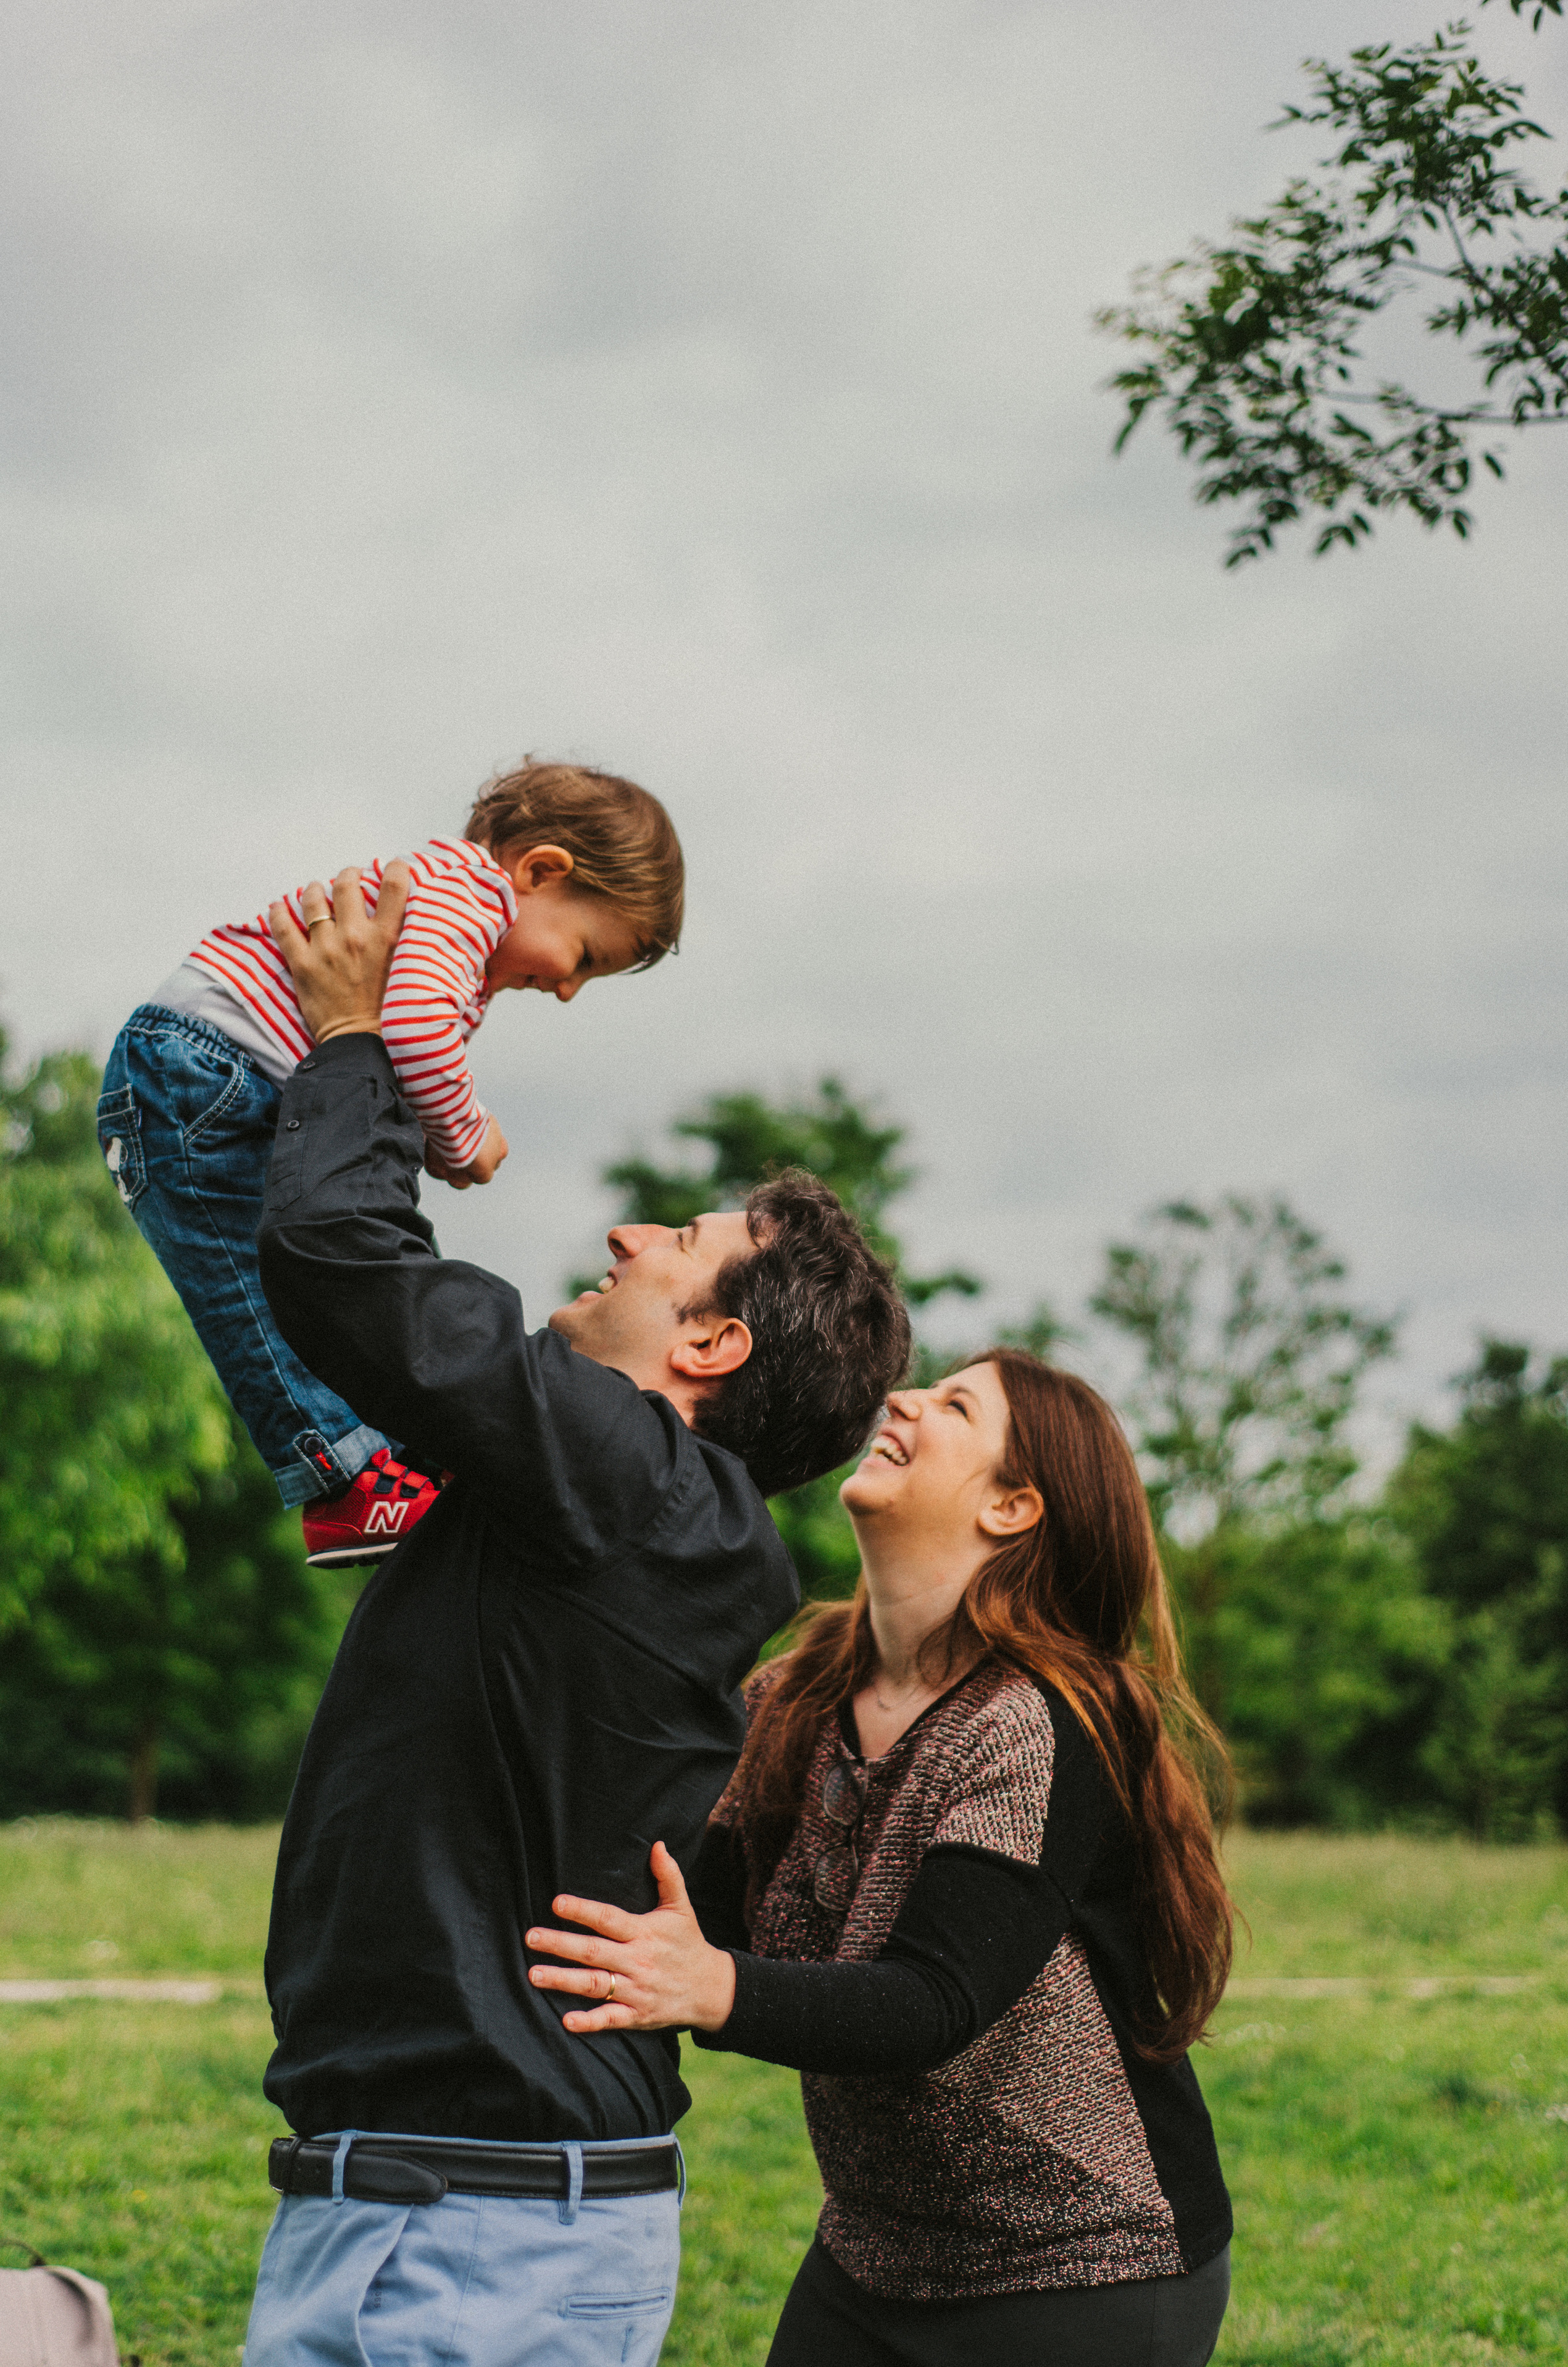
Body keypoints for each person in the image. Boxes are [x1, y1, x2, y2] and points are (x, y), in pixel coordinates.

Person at [238, 862, 912, 2367]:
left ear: (711, 1340)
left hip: (479, 2232)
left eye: (673, 1242)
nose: (622, 1240)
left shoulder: (635, 1478)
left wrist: (357, 1041)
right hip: (448, 2206)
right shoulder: (625, 1508)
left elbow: (354, 1274)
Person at [528, 1350, 1237, 2367]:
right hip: (877, 2256)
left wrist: (710, 1985)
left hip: (1088, 2266)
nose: (900, 1397)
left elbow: (928, 2004)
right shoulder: (792, 1698)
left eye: (954, 1404)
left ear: (1012, 1506)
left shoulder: (1040, 1718)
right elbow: (692, 1919)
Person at [96, 758, 684, 1567]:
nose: (570, 990)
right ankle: (346, 1479)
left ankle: (392, 1447)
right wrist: (464, 1134)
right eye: (585, 955)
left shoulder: (456, 906)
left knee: (327, 1274)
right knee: (251, 1286)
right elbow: (406, 1029)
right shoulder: (463, 895)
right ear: (540, 871)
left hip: (208, 1077)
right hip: (207, 1074)